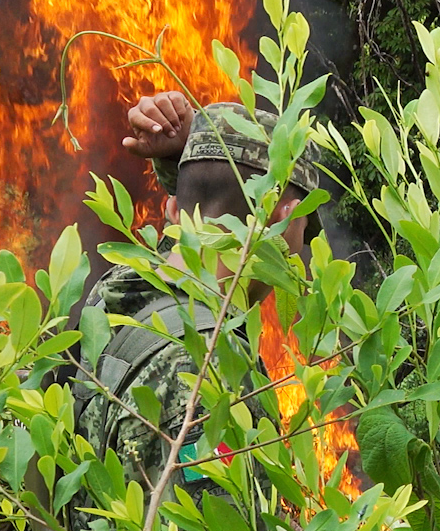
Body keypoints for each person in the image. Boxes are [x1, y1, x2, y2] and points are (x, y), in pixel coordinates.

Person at [75, 93, 320, 488]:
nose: (299, 250)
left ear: (173, 212)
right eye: (306, 230)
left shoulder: (115, 301)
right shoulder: (210, 361)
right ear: (284, 217)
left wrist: (182, 155)